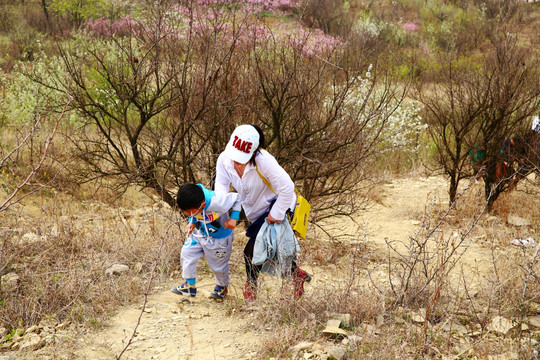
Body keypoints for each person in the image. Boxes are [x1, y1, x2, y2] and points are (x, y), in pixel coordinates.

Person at [215, 124, 311, 301]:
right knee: (272, 253)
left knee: (250, 252)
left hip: (275, 206)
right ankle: (297, 275)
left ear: (253, 152)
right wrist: (221, 205)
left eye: (241, 157)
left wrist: (276, 213)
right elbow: (221, 185)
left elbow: (287, 188)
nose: (236, 160)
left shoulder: (264, 160)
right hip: (254, 212)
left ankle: (251, 290)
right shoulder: (224, 160)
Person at [171, 183, 241, 300]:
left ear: (203, 205)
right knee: (187, 252)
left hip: (220, 239)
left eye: (190, 212)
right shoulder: (195, 200)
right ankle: (189, 286)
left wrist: (234, 218)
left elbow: (237, 198)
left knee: (218, 266)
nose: (187, 214)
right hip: (200, 233)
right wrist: (192, 221)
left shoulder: (218, 202)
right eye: (185, 212)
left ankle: (222, 286)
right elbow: (194, 213)